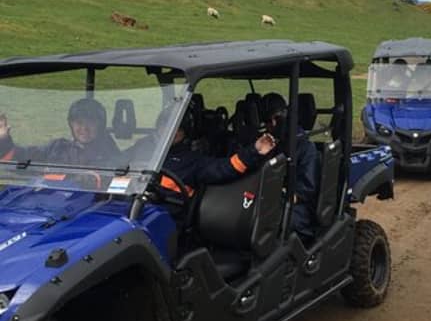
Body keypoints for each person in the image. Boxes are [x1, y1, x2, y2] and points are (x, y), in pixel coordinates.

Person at [126, 102, 276, 197]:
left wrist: (254, 150)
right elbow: (114, 162)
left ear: (185, 132)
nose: (168, 131)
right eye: (163, 125)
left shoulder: (193, 160)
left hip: (165, 213)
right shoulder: (142, 146)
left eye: (176, 128)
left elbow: (225, 168)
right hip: (125, 204)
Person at [260, 92, 320, 238]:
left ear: (279, 118)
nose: (266, 127)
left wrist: (279, 196)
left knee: (269, 223)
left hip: (297, 205)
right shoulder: (268, 142)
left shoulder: (304, 147)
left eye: (269, 122)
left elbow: (305, 189)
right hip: (266, 199)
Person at [0, 98, 120, 166]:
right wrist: (4, 141)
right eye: (79, 123)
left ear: (100, 125)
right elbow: (23, 157)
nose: (84, 128)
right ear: (71, 124)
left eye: (90, 122)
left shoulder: (109, 152)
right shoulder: (58, 147)